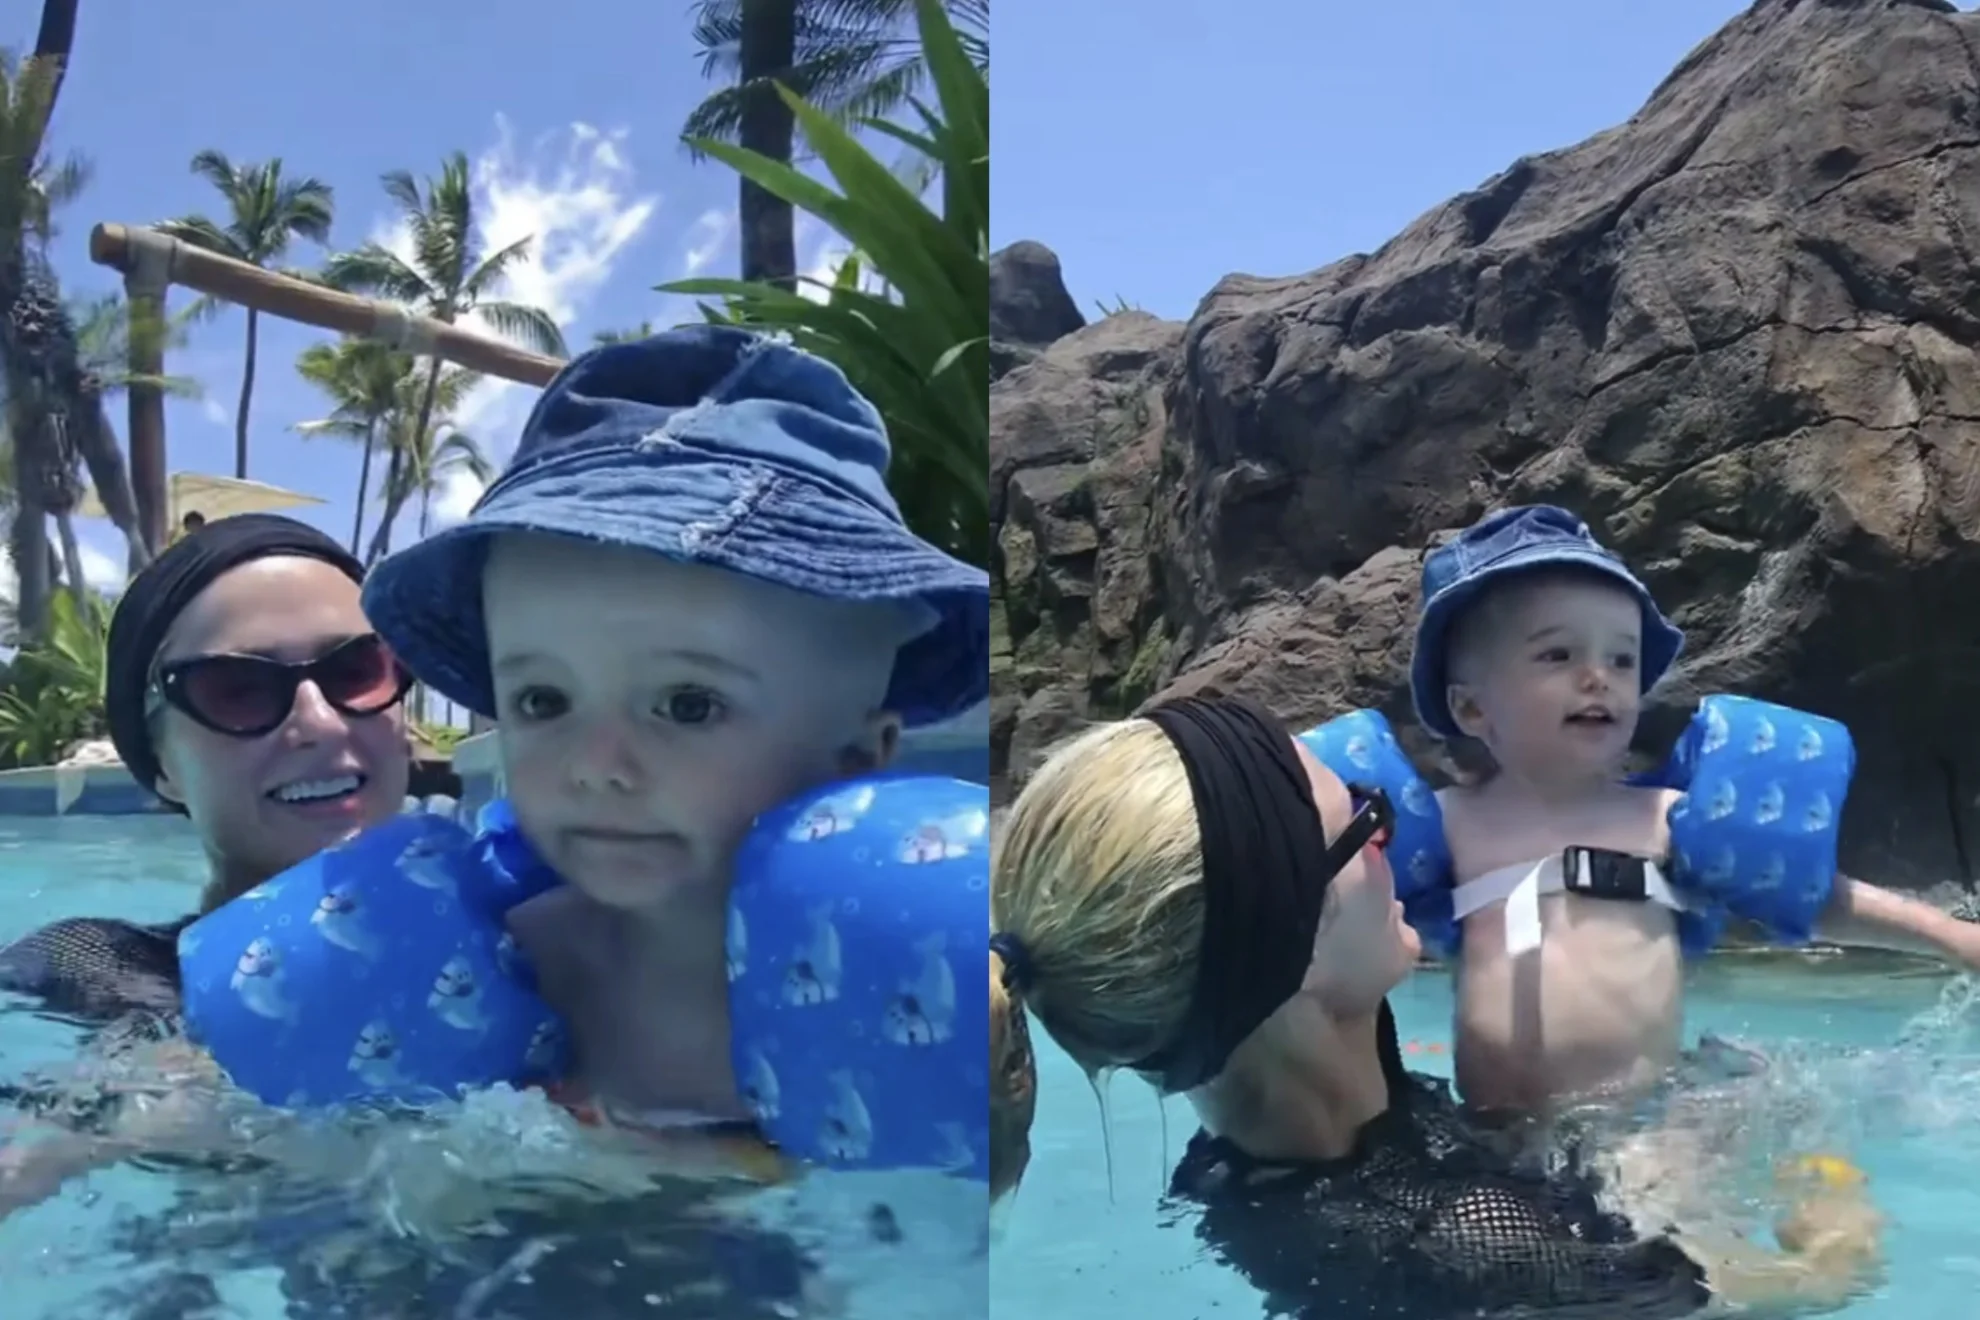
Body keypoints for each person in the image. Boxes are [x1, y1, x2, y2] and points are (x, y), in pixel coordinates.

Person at [989, 693, 1885, 1318]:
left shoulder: (1244, 1152)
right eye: (1363, 824)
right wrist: (1828, 1200)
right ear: (1290, 951)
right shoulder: (1469, 1244)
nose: (1395, 837)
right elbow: (1791, 1288)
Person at [358, 324, 988, 1127]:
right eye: (542, 700)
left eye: (689, 705)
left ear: (856, 762)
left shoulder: (926, 991)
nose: (597, 764)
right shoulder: (497, 967)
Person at [1415, 505, 1980, 1115]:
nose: (1597, 677)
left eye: (1622, 660)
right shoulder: (1448, 826)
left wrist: (1954, 938)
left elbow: (1810, 897)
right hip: (1497, 1132)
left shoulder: (1664, 820)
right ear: (1472, 710)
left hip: (1647, 1126)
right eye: (1558, 656)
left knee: (1684, 1194)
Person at [0, 514, 413, 1023]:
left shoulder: (522, 929)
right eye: (239, 689)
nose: (320, 722)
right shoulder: (100, 967)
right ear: (162, 764)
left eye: (354, 671)